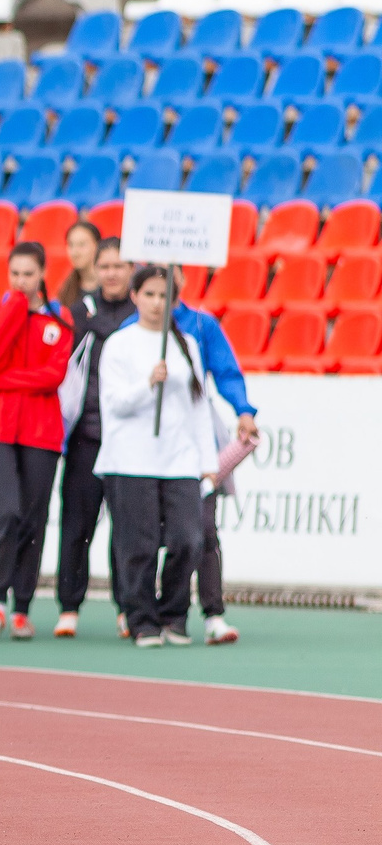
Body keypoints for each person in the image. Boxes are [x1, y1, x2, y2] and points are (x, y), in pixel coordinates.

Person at [98, 266, 219, 647]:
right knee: (139, 545)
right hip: (131, 460)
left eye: (164, 296)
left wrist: (208, 462)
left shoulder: (187, 345)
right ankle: (141, 620)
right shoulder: (119, 344)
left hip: (179, 459)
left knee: (188, 539)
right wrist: (148, 383)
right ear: (135, 296)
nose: (156, 303)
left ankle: (173, 613)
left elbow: (198, 406)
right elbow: (114, 404)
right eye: (149, 294)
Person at [0, 241, 74, 640]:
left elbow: (53, 376)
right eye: (15, 274)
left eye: (28, 274)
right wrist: (14, 308)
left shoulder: (60, 317)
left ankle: (22, 607)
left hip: (41, 430)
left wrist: (0, 381)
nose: (21, 281)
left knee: (33, 516)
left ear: (42, 274)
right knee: (7, 510)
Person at [53, 237, 137, 637]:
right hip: (85, 437)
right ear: (95, 269)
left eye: (119, 266)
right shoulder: (77, 314)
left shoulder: (144, 315)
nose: (112, 273)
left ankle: (128, 608)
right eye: (105, 266)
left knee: (128, 529)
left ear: (132, 270)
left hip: (128, 440)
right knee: (76, 526)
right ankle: (69, 608)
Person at [171, 275, 262, 645]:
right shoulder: (130, 329)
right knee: (143, 537)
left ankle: (213, 615)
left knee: (204, 530)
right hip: (148, 451)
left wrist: (243, 410)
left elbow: (226, 371)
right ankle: (148, 614)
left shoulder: (200, 325)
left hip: (197, 446)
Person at [55, 217, 104, 312]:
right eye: (71, 245)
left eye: (82, 245)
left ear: (97, 245)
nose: (75, 252)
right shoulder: (66, 291)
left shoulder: (110, 285)